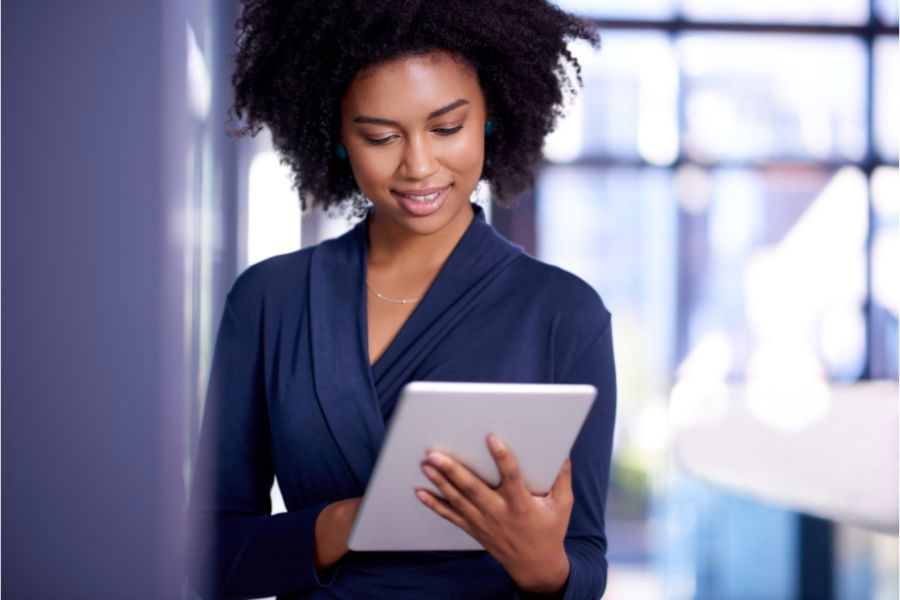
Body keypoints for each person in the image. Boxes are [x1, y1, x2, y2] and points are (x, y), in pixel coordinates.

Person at [186, 1, 616, 598]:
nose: (418, 166)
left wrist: (541, 564)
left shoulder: (564, 314)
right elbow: (210, 555)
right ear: (334, 135)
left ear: (491, 114)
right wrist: (349, 522)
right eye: (380, 136)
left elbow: (585, 560)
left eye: (446, 128)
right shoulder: (270, 301)